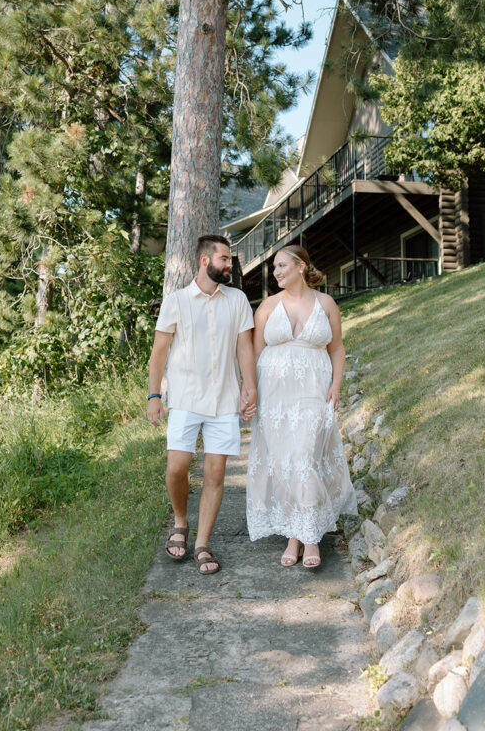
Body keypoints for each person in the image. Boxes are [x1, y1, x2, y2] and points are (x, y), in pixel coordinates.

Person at [147, 234, 257, 574]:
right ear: (205, 260)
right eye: (224, 258)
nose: (230, 264)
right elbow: (159, 353)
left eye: (229, 258)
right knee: (177, 467)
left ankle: (202, 543)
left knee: (215, 473)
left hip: (224, 400)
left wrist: (249, 386)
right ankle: (180, 521)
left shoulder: (237, 300)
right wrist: (154, 396)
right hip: (185, 398)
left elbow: (243, 348)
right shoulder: (176, 301)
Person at [246, 244, 357, 568]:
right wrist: (250, 393)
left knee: (306, 457)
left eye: (281, 266)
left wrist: (336, 386)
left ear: (300, 267)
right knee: (283, 464)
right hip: (275, 396)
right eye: (274, 268)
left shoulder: (326, 303)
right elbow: (255, 353)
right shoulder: (267, 306)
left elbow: (336, 349)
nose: (276, 272)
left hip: (313, 391)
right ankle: (295, 535)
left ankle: (310, 539)